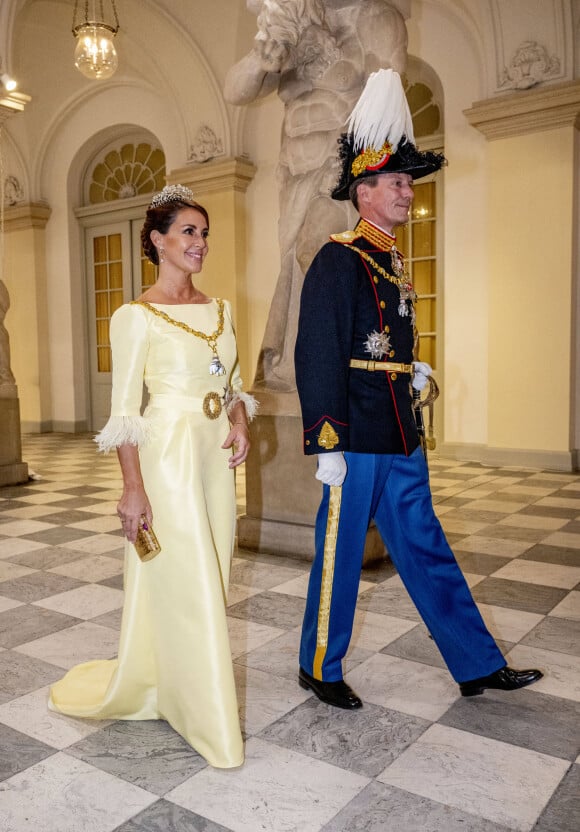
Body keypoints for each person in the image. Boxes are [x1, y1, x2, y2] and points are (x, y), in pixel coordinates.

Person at [294, 70, 542, 709]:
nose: (408, 192)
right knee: (341, 554)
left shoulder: (390, 261)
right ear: (364, 191)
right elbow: (318, 354)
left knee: (426, 545)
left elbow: (382, 343)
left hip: (400, 428)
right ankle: (320, 665)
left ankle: (476, 662)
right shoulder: (338, 257)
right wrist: (326, 442)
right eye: (397, 183)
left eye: (409, 182)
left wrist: (413, 369)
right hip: (355, 435)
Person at [49, 185, 257, 768]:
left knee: (211, 577)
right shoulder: (134, 317)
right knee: (186, 579)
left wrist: (240, 423)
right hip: (168, 460)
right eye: (188, 232)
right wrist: (132, 487)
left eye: (204, 231)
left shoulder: (221, 310)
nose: (200, 242)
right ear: (158, 241)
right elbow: (124, 413)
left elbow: (233, 383)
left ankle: (173, 683)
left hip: (215, 460)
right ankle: (202, 712)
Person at [225, 0, 408, 392]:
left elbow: (389, 106)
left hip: (341, 172)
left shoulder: (375, 18)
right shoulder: (294, 24)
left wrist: (356, 174)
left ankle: (328, 369)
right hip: (295, 176)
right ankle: (298, 368)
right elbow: (235, 90)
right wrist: (262, 58)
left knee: (318, 254)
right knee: (296, 265)